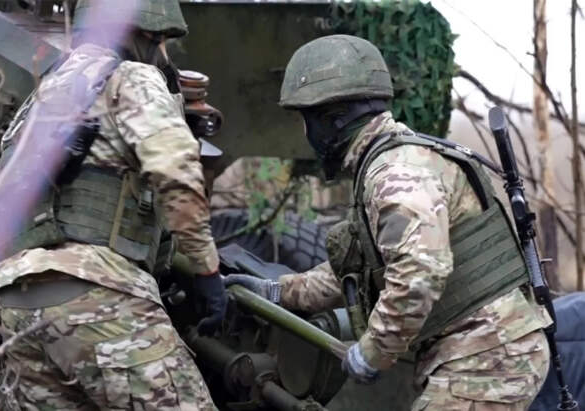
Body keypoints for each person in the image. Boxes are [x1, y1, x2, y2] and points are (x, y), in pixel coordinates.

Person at [224, 34, 552, 411]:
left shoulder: (394, 174)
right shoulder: (392, 162)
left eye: (306, 120)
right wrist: (277, 292)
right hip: (485, 350)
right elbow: (353, 273)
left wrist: (373, 351)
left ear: (333, 120)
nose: (305, 134)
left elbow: (419, 274)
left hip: (489, 358)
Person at [0, 0, 223, 409]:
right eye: (163, 42)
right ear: (145, 34)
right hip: (99, 296)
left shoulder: (47, 89)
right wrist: (207, 271)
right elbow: (176, 173)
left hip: (18, 304)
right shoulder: (133, 76)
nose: (165, 55)